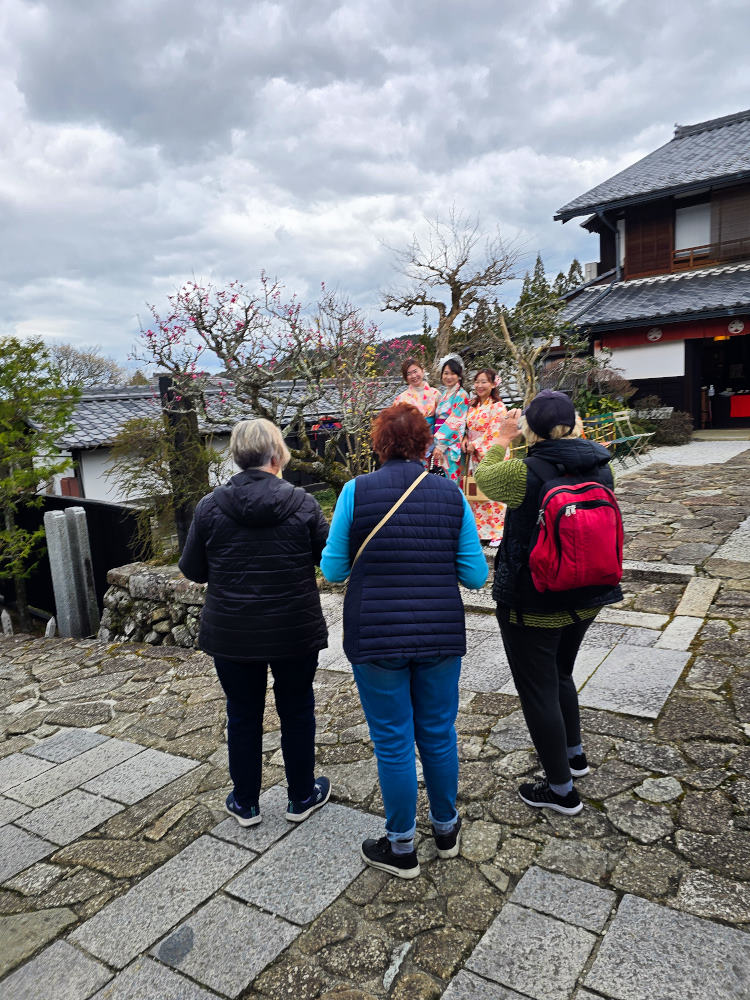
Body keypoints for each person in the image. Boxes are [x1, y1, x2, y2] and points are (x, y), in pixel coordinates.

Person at [321, 403, 487, 878]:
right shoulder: (451, 495)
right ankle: (446, 829)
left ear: (378, 444)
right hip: (438, 631)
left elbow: (332, 569)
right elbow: (475, 575)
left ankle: (400, 846)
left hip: (375, 634)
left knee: (393, 741)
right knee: (437, 732)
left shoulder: (355, 492)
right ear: (425, 445)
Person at [475, 390, 622, 816]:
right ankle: (574, 757)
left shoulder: (522, 472)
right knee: (561, 673)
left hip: (534, 599)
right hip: (590, 592)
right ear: (576, 424)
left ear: (529, 429)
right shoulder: (601, 464)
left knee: (537, 687)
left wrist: (502, 438)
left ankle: (560, 790)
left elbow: (485, 478)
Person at [179, 418, 331, 827]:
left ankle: (245, 802)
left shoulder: (210, 506)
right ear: (277, 454)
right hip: (293, 627)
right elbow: (328, 560)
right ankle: (301, 796)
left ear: (237, 455)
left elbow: (193, 570)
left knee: (243, 713)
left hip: (233, 631)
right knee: (297, 710)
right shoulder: (303, 502)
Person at [463, 367, 509, 547]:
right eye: (477, 382)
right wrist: (466, 440)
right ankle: (480, 531)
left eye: (484, 382)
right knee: (476, 492)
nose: (479, 385)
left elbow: (495, 432)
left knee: (492, 491)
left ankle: (498, 531)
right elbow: (466, 428)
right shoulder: (473, 404)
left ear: (492, 384)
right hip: (473, 453)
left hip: (491, 452)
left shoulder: (498, 406)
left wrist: (476, 445)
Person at [432, 354, 470, 482]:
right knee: (441, 483)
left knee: (452, 484)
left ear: (459, 375)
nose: (448, 377)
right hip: (440, 445)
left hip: (450, 444)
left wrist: (441, 445)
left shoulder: (461, 395)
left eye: (453, 373)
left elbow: (456, 421)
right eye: (446, 373)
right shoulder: (443, 394)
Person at [394, 357, 440, 434]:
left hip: (434, 439)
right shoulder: (401, 399)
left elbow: (443, 417)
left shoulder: (435, 393)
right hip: (412, 440)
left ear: (422, 371)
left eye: (415, 371)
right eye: (409, 374)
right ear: (406, 378)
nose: (413, 376)